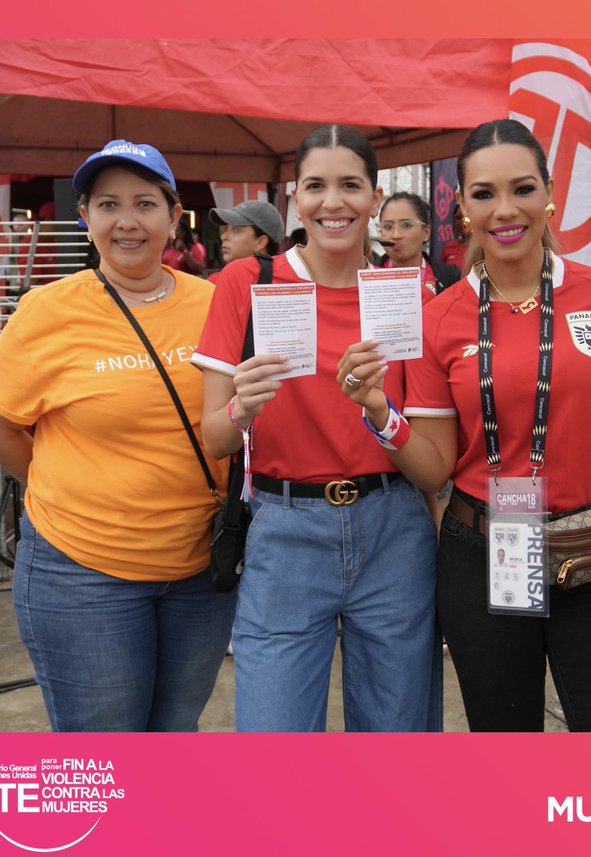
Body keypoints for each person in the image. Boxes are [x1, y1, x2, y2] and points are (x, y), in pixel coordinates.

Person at [338, 119, 591, 732]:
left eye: (523, 189)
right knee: (505, 741)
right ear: (462, 205)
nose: (505, 210)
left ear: (550, 193)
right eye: (484, 194)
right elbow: (434, 467)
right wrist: (381, 413)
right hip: (487, 548)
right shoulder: (440, 317)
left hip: (590, 546)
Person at [0, 140, 236, 732]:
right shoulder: (47, 311)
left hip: (202, 570)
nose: (127, 221)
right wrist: (73, 488)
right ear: (85, 218)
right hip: (82, 574)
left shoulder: (216, 303)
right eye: (108, 204)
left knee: (176, 730)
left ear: (174, 216)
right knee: (105, 747)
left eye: (145, 203)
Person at [192, 124, 441, 733]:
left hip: (394, 529)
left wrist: (381, 413)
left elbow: (431, 457)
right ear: (294, 199)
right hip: (285, 531)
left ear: (374, 197)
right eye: (315, 186)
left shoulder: (407, 292)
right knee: (274, 739)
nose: (333, 202)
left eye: (350, 185)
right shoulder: (248, 283)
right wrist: (241, 408)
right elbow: (214, 438)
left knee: (398, 740)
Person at [376, 191, 461, 294]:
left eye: (406, 225)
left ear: (426, 232)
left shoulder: (450, 278)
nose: (396, 235)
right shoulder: (366, 274)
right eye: (388, 226)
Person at [208, 199, 285, 266]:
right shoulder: (219, 278)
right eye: (226, 229)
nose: (223, 237)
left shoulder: (285, 278)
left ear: (260, 242)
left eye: (235, 230)